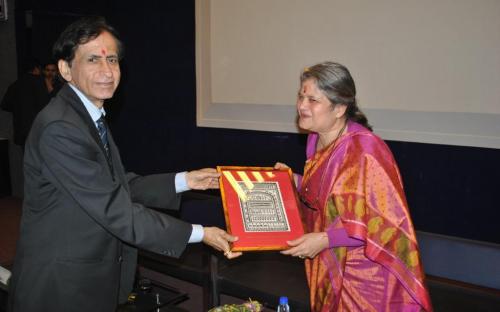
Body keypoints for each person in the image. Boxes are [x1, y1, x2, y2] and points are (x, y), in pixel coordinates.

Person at [8, 16, 241, 312]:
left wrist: (185, 180)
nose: (107, 72)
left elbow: (117, 185)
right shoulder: (61, 127)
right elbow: (115, 209)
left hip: (85, 278)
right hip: (61, 286)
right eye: (93, 60)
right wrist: (199, 233)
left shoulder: (85, 116)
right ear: (66, 69)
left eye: (113, 60)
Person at [276, 62, 432, 311]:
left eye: (313, 100)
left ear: (339, 108)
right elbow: (328, 196)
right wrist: (291, 181)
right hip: (328, 262)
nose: (301, 106)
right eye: (301, 96)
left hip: (365, 275)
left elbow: (382, 224)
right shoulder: (315, 139)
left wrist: (326, 239)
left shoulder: (365, 151)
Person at [1, 58, 50, 147]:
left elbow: (5, 105)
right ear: (37, 68)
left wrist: (18, 107)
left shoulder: (16, 84)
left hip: (21, 130)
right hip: (39, 129)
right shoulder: (41, 83)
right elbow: (47, 104)